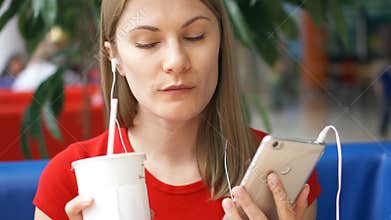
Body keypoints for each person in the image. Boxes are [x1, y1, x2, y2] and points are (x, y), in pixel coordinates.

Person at [33, 0, 321, 219]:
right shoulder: (69, 181)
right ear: (114, 56)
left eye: (195, 36)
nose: (176, 61)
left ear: (220, 42)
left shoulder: (278, 174)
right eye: (148, 43)